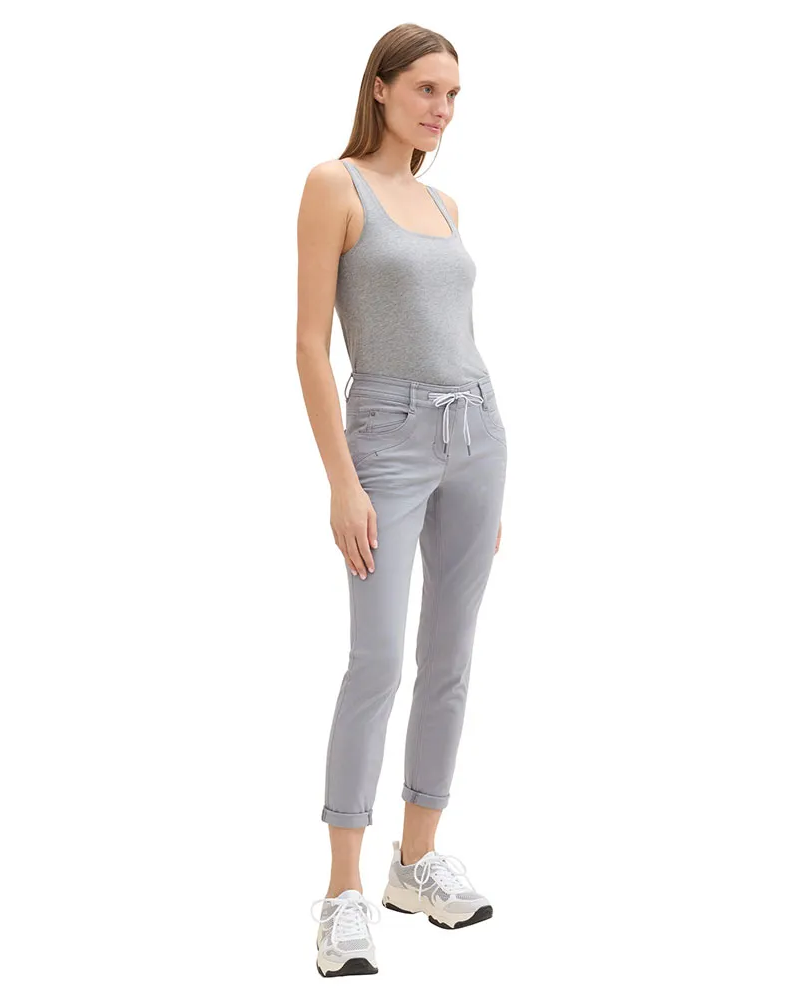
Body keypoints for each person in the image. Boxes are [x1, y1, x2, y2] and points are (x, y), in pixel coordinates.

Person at [297, 24, 508, 978]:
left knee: (450, 660)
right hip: (385, 437)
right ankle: (343, 892)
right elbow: (309, 344)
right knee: (377, 660)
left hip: (477, 434)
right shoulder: (334, 186)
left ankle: (415, 862)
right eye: (426, 88)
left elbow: (456, 331)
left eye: (453, 94)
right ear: (379, 88)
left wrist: (486, 474)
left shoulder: (444, 203)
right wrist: (342, 480)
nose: (442, 109)